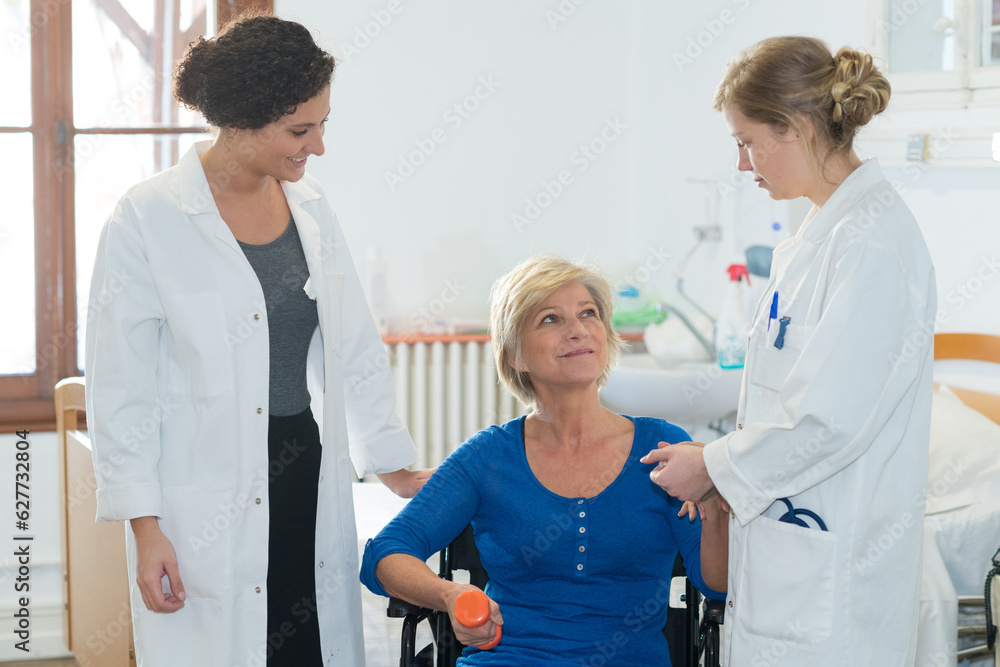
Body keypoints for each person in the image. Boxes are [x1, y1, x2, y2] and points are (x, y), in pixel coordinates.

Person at [85, 14, 431, 667]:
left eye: (324, 124)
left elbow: (353, 348)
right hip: (201, 492)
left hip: (301, 467)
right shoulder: (147, 218)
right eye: (302, 130)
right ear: (243, 121)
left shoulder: (312, 209)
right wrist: (145, 527)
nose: (319, 146)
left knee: (303, 642)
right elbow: (119, 386)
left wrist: (393, 463)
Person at [643, 36, 937, 666]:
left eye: (748, 142)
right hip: (792, 565)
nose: (744, 165)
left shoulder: (873, 246)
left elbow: (828, 420)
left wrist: (716, 466)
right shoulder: (820, 235)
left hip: (835, 589)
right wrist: (719, 463)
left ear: (799, 127)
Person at [361, 254, 728, 666]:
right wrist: (450, 595)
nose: (578, 330)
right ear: (515, 354)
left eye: (588, 314)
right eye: (551, 319)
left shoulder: (663, 448)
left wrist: (714, 496)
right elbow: (386, 553)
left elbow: (717, 585)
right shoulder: (487, 457)